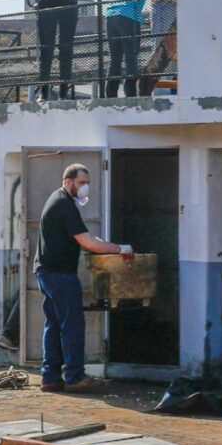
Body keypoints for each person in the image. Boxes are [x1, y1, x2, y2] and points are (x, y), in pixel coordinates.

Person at [33, 163, 133, 392]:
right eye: (81, 183)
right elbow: (87, 242)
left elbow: (82, 237)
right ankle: (75, 377)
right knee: (72, 325)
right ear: (68, 182)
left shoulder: (57, 200)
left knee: (54, 324)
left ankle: (50, 377)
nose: (85, 188)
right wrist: (119, 249)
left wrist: (98, 243)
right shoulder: (64, 205)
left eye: (87, 183)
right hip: (60, 275)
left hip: (46, 271)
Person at [105, 0, 157, 98]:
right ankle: (131, 95)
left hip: (111, 15)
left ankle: (111, 94)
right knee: (131, 57)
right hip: (128, 18)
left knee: (115, 58)